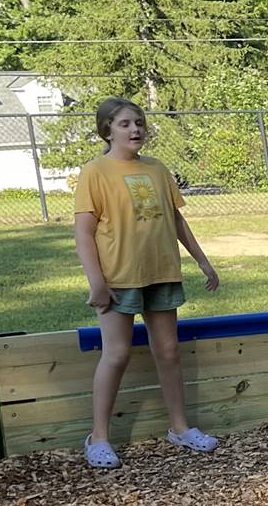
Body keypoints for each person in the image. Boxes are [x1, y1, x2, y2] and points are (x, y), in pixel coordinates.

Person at [72, 97, 221, 468]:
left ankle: (180, 428)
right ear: (107, 129)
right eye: (124, 124)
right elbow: (84, 233)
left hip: (162, 272)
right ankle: (98, 437)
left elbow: (175, 221)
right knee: (117, 354)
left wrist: (202, 261)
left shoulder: (157, 169)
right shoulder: (95, 172)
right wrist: (97, 282)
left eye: (138, 122)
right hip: (119, 278)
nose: (135, 129)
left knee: (168, 351)